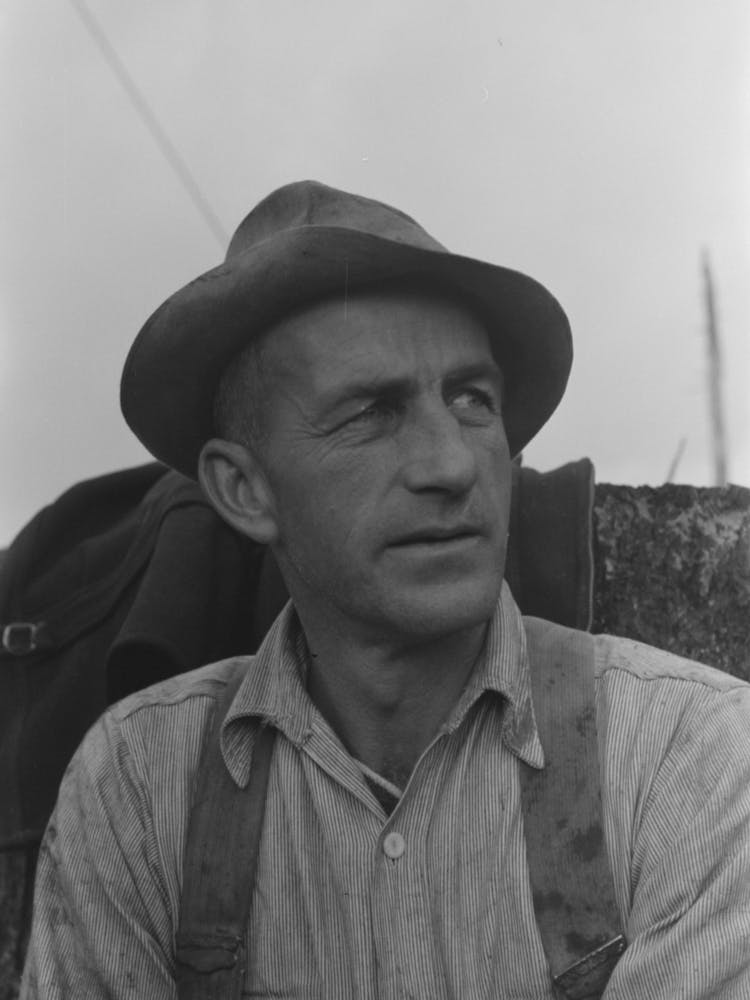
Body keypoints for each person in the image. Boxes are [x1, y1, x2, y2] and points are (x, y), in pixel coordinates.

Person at [21, 181, 750, 999]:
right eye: (370, 412)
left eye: (472, 399)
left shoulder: (690, 757)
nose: (452, 465)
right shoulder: (137, 786)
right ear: (245, 490)